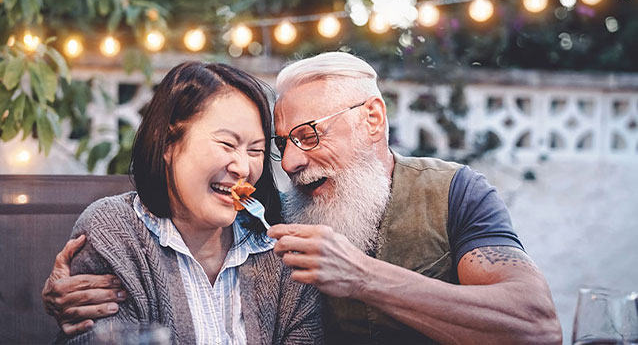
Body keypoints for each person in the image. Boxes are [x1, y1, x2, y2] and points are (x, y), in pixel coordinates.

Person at [44, 53, 561, 344]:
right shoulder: (277, 223)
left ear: (373, 120)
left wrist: (362, 277)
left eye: (308, 134)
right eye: (284, 143)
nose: (287, 163)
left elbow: (536, 325)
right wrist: (66, 306)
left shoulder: (455, 192)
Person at [46, 61, 322, 344]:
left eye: (256, 150)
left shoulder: (282, 248)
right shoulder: (113, 233)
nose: (243, 167)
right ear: (168, 142)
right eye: (227, 144)